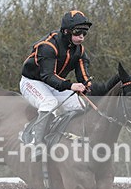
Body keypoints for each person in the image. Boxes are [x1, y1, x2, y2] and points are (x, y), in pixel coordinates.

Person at [20, 10, 94, 152]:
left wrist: (87, 86)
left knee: (79, 106)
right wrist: (71, 85)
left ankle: (64, 138)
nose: (81, 36)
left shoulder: (79, 50)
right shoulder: (48, 46)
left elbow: (83, 75)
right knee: (49, 102)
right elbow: (48, 76)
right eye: (78, 32)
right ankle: (37, 144)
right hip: (32, 81)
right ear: (66, 31)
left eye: (84, 33)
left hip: (55, 83)